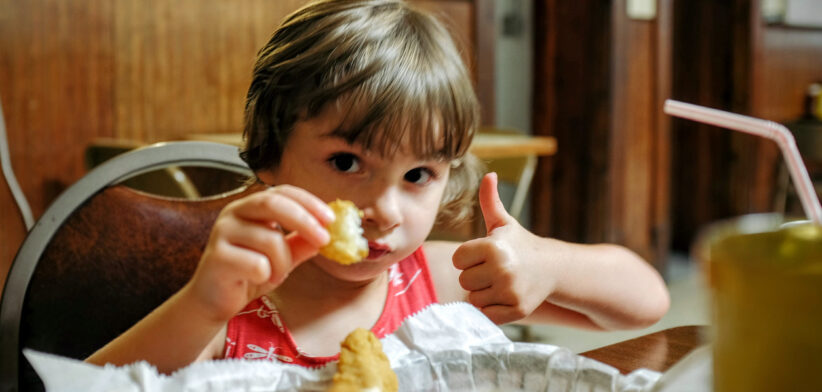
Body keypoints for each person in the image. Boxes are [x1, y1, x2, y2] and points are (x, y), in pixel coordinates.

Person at [87, 0, 669, 374]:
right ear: (270, 151)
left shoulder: (439, 284)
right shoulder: (234, 307)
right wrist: (203, 304)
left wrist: (549, 263)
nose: (385, 210)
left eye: (418, 175)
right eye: (346, 162)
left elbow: (646, 304)